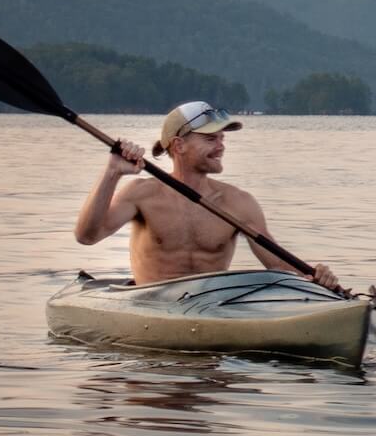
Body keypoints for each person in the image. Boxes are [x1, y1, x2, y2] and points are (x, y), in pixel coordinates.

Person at [74, 100, 344, 292]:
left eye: (222, 139)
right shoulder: (141, 194)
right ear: (179, 145)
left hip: (212, 307)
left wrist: (315, 277)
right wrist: (113, 173)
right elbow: (86, 236)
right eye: (210, 139)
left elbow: (275, 262)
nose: (221, 147)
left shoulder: (238, 203)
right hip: (152, 305)